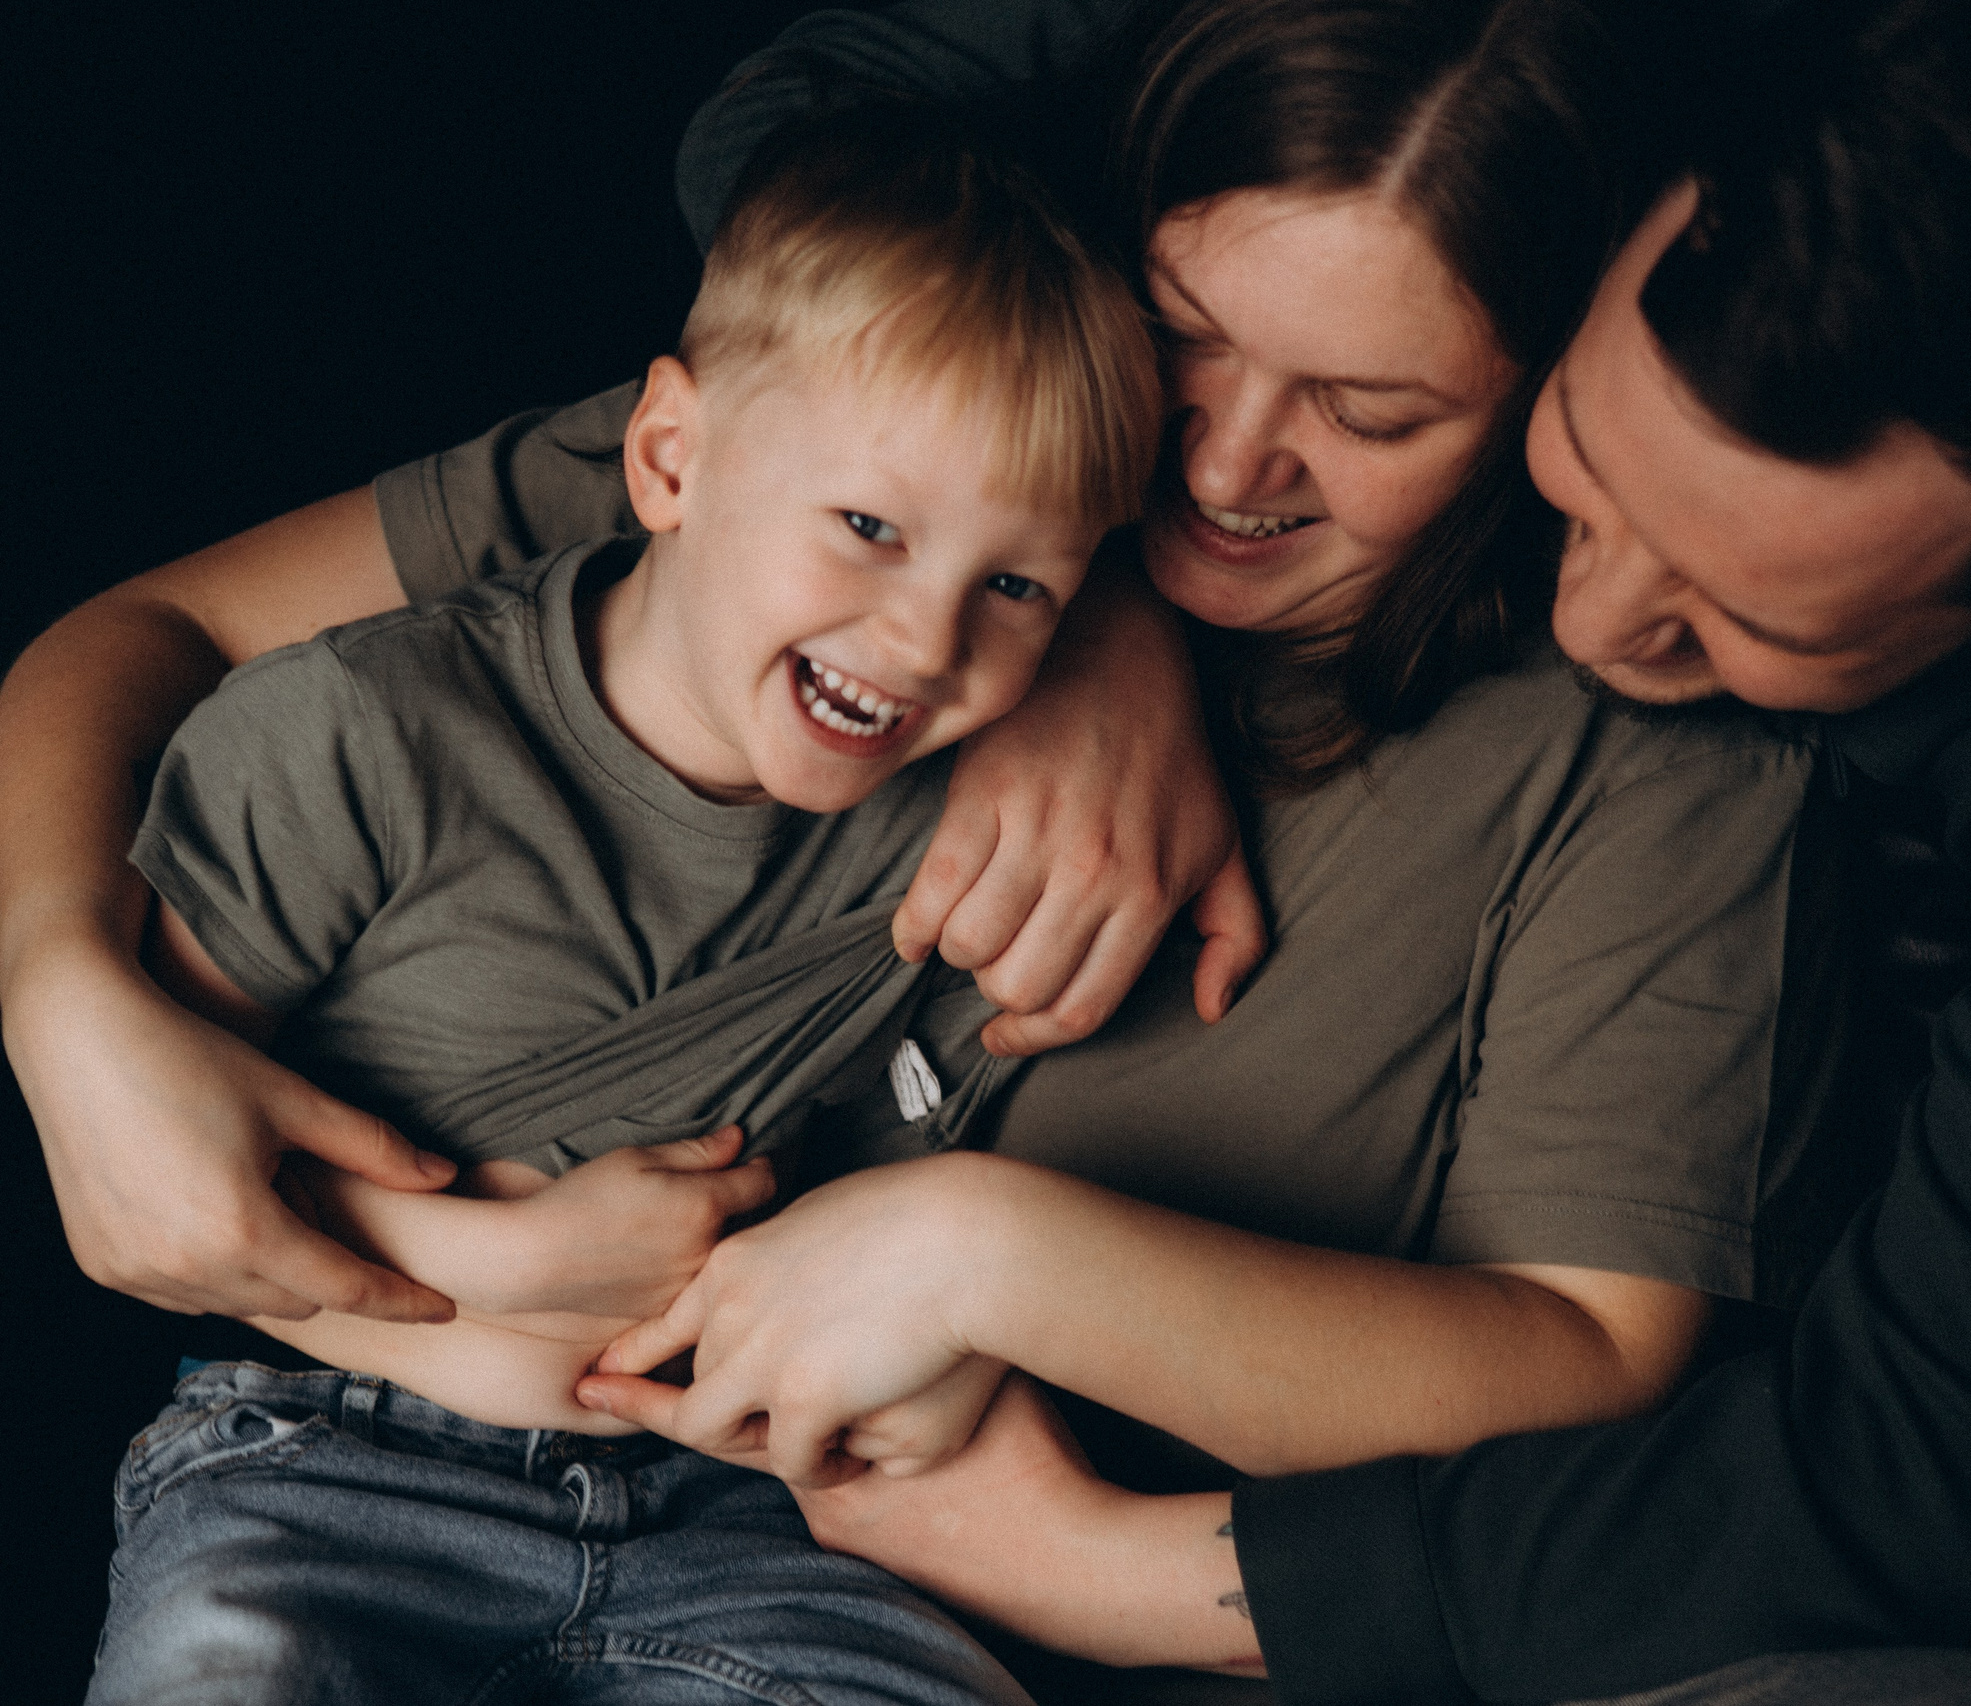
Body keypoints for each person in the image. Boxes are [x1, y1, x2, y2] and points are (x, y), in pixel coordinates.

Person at [558, 2, 1971, 1704]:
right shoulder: (1495, 112)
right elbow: (816, 115)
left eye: (1744, 623)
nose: (1598, 630)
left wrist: (1113, 1567)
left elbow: (1930, 1467)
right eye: (1581, 471)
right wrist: (1083, 601)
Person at [10, 0, 1859, 1700]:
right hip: (391, 1453)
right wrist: (60, 981)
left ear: (1555, 404)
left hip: (879, 1592)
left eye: (1374, 414)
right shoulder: (878, 455)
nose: (1219, 467)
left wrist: (989, 1255)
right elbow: (145, 647)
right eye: (1185, 342)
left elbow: (1591, 1364)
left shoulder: (1630, 760)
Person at [84, 109, 1163, 1704]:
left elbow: (924, 1209)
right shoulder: (356, 739)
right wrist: (491, 1261)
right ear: (668, 458)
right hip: (325, 1468)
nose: (927, 639)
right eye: (869, 528)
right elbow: (169, 1197)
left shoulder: (967, 849)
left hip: (755, 1522)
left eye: (1016, 588)